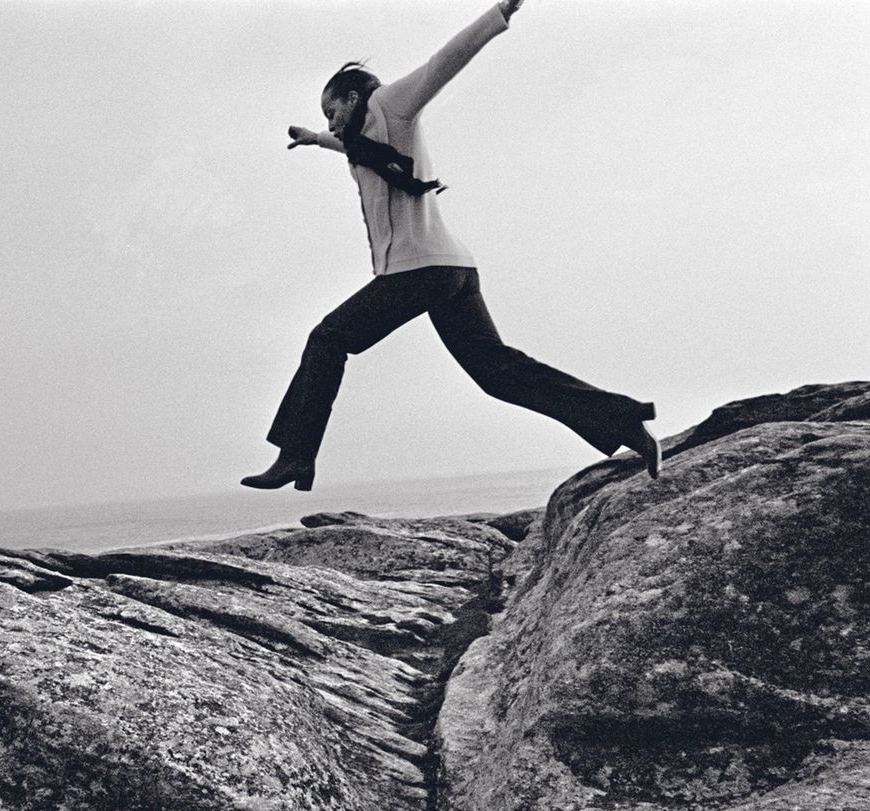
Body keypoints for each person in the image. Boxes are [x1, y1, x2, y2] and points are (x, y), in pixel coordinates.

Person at [242, 0, 660, 493]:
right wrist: (316, 138)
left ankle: (296, 456)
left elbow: (445, 61)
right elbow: (356, 150)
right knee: (498, 373)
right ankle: (624, 423)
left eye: (332, 113)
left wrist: (500, 12)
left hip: (420, 271)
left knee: (328, 338)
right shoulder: (362, 139)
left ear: (354, 98)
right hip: (452, 271)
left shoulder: (390, 105)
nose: (333, 124)